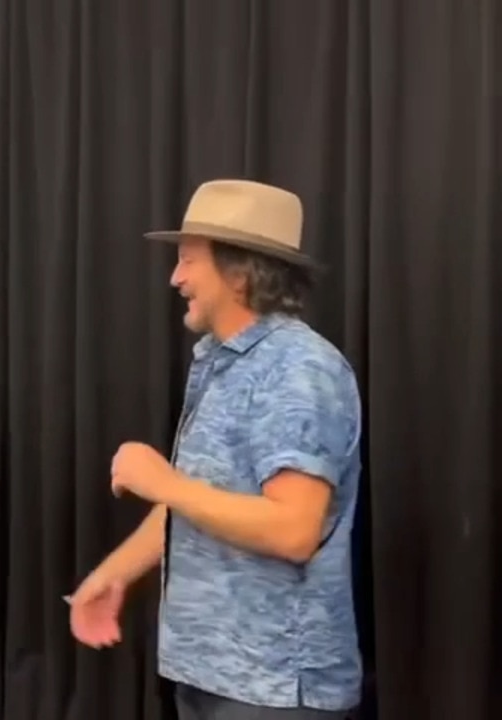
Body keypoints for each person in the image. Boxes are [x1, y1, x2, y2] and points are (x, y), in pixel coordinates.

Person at [69, 180, 362, 720]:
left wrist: (163, 480)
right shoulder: (222, 361)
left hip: (272, 690)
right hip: (208, 675)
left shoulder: (299, 371)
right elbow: (200, 504)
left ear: (240, 272)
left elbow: (294, 530)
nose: (175, 278)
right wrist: (113, 573)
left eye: (186, 261)